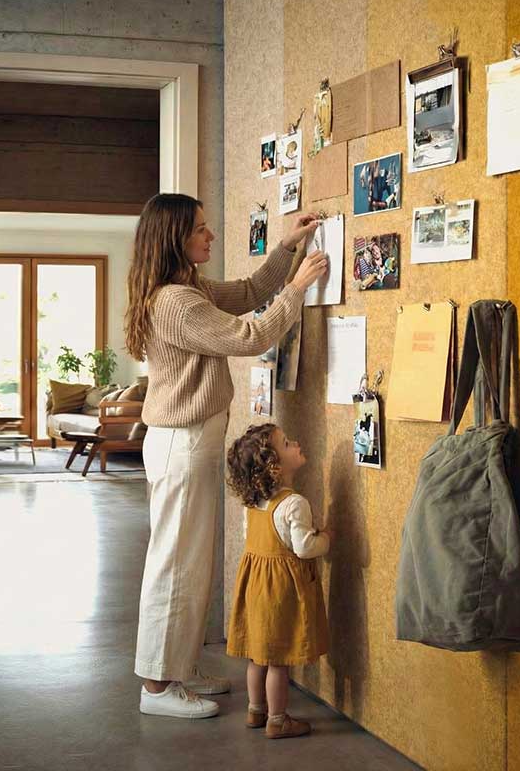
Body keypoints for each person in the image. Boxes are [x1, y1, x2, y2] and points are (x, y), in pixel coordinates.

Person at [124, 193, 328, 719]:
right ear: (174, 238)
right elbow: (250, 333)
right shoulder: (175, 302)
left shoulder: (187, 288)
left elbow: (245, 294)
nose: (210, 236)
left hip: (189, 439)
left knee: (190, 562)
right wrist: (299, 289)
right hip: (182, 442)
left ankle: (179, 666)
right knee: (174, 565)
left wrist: (287, 247)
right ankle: (156, 688)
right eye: (200, 229)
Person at [226, 424, 332, 739]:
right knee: (278, 661)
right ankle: (278, 719)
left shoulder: (254, 503)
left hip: (255, 586)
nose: (296, 442)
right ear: (274, 463)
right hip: (280, 592)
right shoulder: (294, 503)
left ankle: (255, 710)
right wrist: (326, 537)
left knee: (258, 655)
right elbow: (304, 547)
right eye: (287, 443)